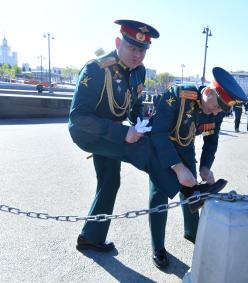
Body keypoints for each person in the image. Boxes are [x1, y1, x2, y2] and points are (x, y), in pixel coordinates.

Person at [68, 20, 218, 253]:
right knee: (146, 150)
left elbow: (133, 106)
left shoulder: (138, 73)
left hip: (111, 135)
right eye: (132, 48)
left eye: (142, 50)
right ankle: (190, 192)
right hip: (88, 133)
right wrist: (123, 132)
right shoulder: (96, 69)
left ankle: (90, 237)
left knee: (110, 182)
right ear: (119, 43)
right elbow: (77, 117)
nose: (137, 55)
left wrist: (142, 120)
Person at [147, 67, 248, 268]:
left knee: (192, 192)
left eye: (222, 110)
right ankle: (158, 247)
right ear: (209, 92)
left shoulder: (217, 109)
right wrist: (177, 167)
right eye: (218, 107)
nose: (218, 112)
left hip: (186, 148)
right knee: (159, 196)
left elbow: (211, 140)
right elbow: (158, 133)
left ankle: (193, 233)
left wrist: (205, 167)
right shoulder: (180, 95)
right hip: (161, 148)